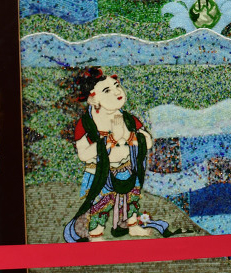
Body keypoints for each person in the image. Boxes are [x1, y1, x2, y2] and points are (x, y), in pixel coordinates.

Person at [63, 67, 169, 243]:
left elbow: (147, 141)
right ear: (93, 98)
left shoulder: (128, 119)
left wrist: (128, 136)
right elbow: (83, 154)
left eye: (117, 86)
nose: (117, 92)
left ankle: (132, 226)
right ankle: (96, 234)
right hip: (100, 173)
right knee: (101, 205)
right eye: (107, 90)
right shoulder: (86, 124)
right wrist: (111, 139)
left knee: (132, 199)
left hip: (128, 168)